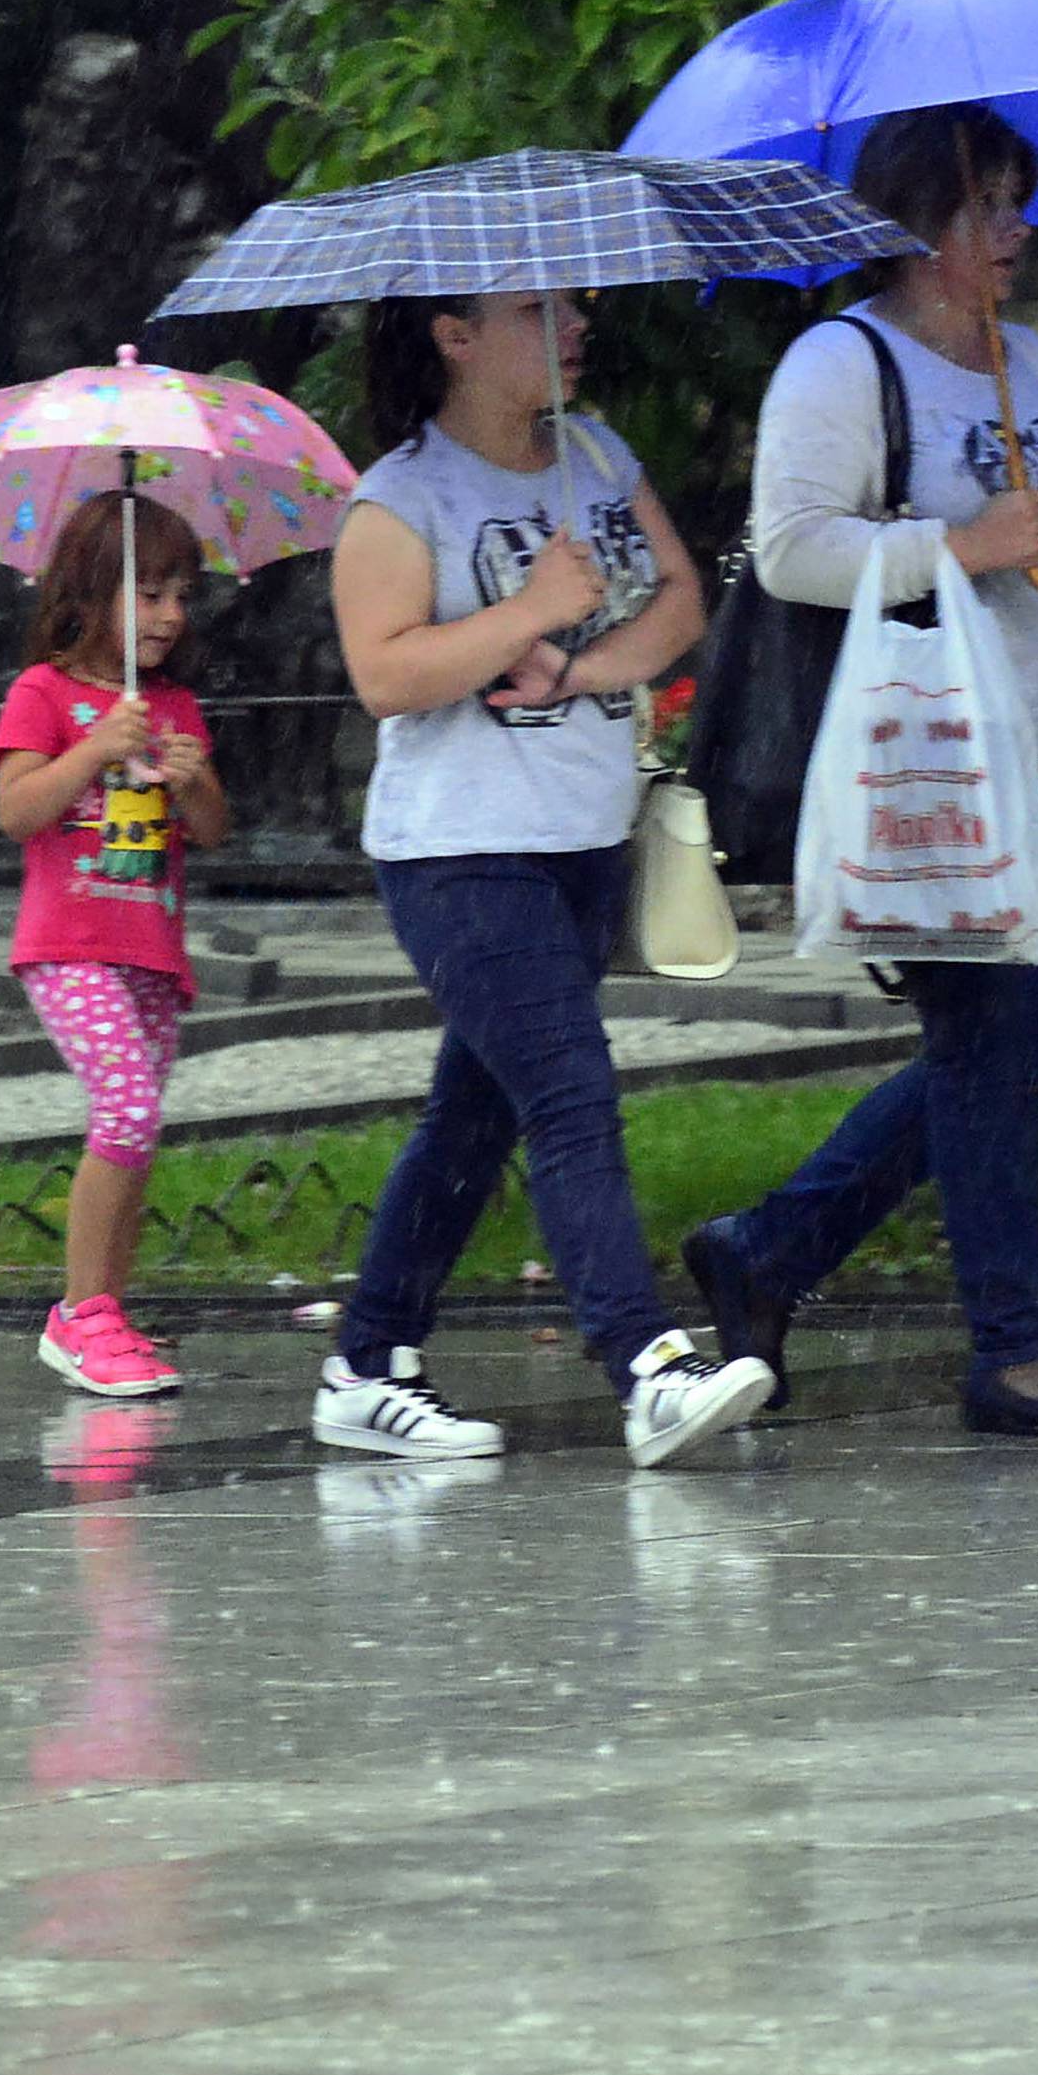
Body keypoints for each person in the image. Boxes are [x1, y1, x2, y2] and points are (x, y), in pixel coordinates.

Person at [683, 102, 1038, 1439]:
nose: (1018, 232)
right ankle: (1011, 1349)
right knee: (995, 1054)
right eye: (990, 205)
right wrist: (962, 543)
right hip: (926, 767)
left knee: (990, 1050)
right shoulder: (838, 363)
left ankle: (767, 1251)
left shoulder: (1033, 364)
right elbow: (794, 547)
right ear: (919, 227)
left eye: (1019, 202)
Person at [315, 286, 776, 1470]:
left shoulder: (595, 452)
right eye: (535, 310)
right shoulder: (401, 497)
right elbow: (384, 673)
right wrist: (529, 607)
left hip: (582, 838)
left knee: (473, 1119)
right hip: (460, 849)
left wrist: (580, 667)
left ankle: (368, 1362)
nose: (572, 325)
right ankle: (645, 1366)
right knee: (569, 1093)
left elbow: (681, 598)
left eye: (570, 306)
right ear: (455, 339)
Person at [0, 491, 229, 1399]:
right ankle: (82, 1317)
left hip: (151, 951)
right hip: (68, 944)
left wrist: (190, 776)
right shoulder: (43, 693)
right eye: (151, 593)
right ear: (90, 592)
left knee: (138, 1128)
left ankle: (106, 1311)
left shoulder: (171, 705)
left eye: (182, 596)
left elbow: (209, 830)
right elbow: (18, 811)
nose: (172, 616)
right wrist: (94, 750)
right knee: (125, 1110)